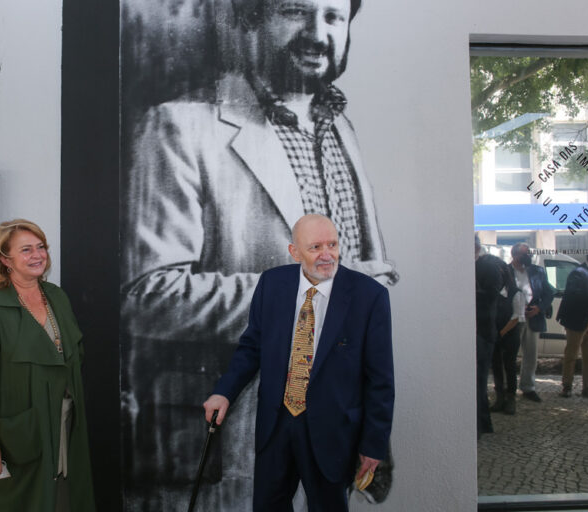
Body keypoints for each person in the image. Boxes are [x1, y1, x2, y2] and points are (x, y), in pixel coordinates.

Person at [120, 0, 397, 505]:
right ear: (251, 18)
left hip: (336, 428)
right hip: (240, 438)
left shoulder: (341, 129)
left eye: (333, 16)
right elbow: (148, 296)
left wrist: (372, 433)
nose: (317, 32)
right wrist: (299, 292)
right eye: (295, 11)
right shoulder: (178, 125)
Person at [203, 214, 394, 511]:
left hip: (332, 433)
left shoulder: (369, 297)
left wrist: (373, 444)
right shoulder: (272, 284)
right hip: (276, 425)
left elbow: (380, 380)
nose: (327, 254)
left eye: (332, 244)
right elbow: (251, 348)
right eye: (315, 247)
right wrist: (224, 392)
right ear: (294, 252)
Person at [0, 220, 95, 511]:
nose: (37, 255)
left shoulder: (57, 297)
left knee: (66, 502)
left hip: (66, 430)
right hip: (20, 440)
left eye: (40, 247)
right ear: (5, 260)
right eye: (26, 250)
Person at [556, 246, 588, 400]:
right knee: (571, 354)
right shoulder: (578, 273)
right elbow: (576, 296)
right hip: (576, 320)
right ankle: (567, 386)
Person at [511, 243, 555, 403]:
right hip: (513, 319)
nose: (528, 256)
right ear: (515, 255)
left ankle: (528, 387)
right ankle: (507, 388)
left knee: (531, 355)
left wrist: (539, 308)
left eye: (530, 253)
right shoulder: (506, 271)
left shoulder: (537, 271)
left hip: (533, 317)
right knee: (509, 355)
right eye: (525, 254)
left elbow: (549, 293)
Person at [474, 235, 505, 437]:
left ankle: (478, 426)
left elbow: (492, 295)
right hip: (478, 331)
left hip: (483, 332)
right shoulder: (477, 265)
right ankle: (482, 424)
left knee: (478, 382)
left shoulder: (488, 266)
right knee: (476, 382)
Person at [491, 265, 521, 415]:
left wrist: (501, 332)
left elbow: (517, 317)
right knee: (496, 366)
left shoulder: (516, 293)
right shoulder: (493, 292)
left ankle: (511, 398)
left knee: (510, 366)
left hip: (510, 335)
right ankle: (499, 397)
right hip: (495, 335)